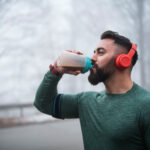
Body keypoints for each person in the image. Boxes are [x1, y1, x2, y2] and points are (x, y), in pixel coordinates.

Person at [34, 30, 150, 150]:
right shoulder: (85, 101)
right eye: (94, 53)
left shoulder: (146, 105)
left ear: (123, 61)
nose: (92, 58)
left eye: (100, 53)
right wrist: (56, 71)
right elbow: (44, 103)